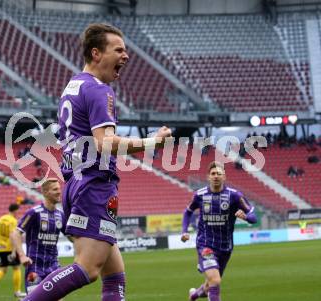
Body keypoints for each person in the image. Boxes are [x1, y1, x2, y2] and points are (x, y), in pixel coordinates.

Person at [23, 23, 171, 301]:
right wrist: (152, 143)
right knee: (88, 269)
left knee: (114, 277)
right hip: (94, 185)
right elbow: (104, 143)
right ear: (96, 54)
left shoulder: (74, 85)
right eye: (119, 50)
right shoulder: (99, 90)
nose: (126, 56)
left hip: (76, 182)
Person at [181, 161, 257, 301]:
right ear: (208, 177)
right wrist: (184, 231)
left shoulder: (234, 196)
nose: (216, 176)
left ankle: (194, 295)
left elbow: (253, 215)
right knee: (215, 280)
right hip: (205, 244)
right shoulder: (200, 195)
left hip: (225, 247)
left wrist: (246, 217)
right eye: (213, 173)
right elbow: (187, 212)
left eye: (219, 174)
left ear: (224, 177)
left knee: (211, 283)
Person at [11, 178, 65, 295]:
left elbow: (73, 237)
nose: (59, 192)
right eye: (55, 189)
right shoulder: (34, 212)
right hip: (34, 266)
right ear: (45, 192)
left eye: (59, 189)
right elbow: (15, 233)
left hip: (54, 266)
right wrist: (22, 256)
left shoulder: (60, 215)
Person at [0, 204, 25, 299]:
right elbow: (13, 235)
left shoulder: (1, 219)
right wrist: (13, 251)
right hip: (10, 248)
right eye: (17, 211)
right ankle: (17, 291)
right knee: (16, 268)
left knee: (2, 270)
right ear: (15, 210)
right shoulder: (13, 220)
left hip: (1, 248)